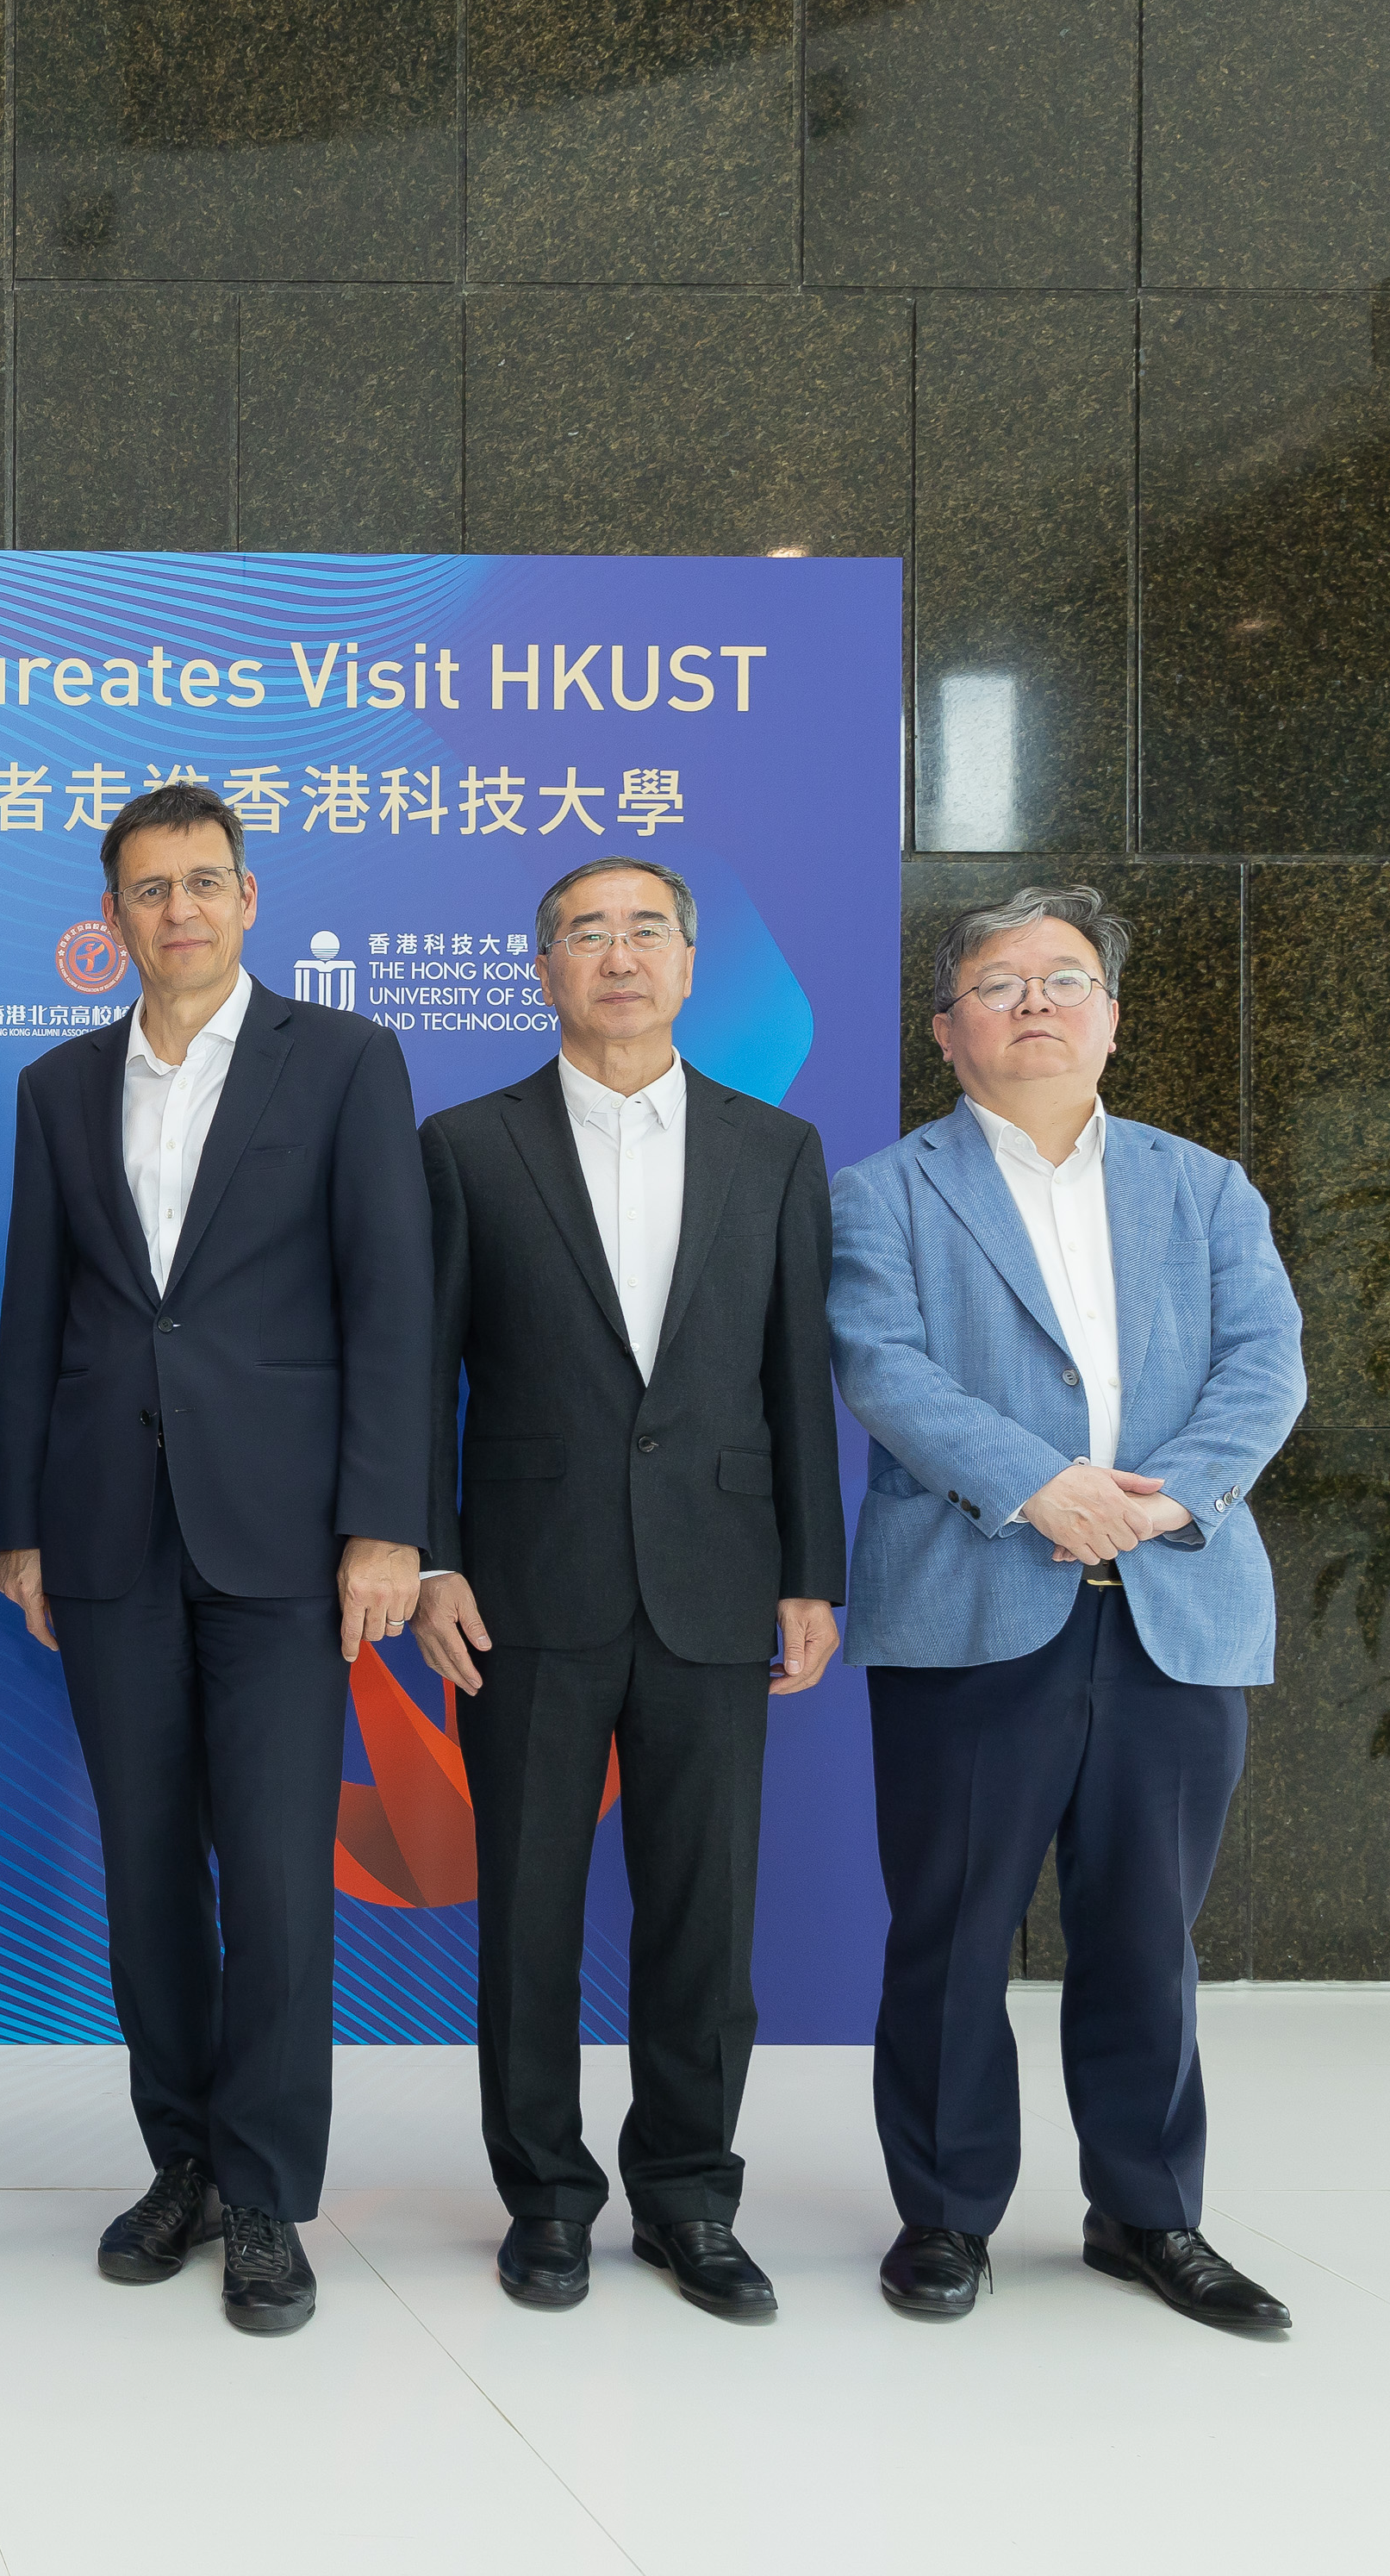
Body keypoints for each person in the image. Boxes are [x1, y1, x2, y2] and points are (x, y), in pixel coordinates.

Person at [829, 884, 1305, 2333]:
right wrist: (1041, 1485)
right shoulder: (882, 1192)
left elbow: (1265, 1367)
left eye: (1067, 977)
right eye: (1000, 981)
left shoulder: (1206, 1186)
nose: (1036, 1000)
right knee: (955, 1930)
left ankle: (1149, 2214)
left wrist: (1161, 1502)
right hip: (974, 1600)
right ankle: (947, 2215)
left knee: (1149, 1930)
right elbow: (883, 1366)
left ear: (1112, 1015)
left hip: (1173, 1604)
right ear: (946, 1029)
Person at [0, 778, 430, 2336]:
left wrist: (387, 1524)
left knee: (276, 1881)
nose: (178, 910)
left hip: (288, 1544)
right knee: (147, 1872)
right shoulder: (58, 1087)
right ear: (111, 923)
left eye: (204, 883)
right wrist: (23, 1528)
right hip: (109, 1539)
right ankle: (176, 2155)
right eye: (148, 890)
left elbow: (394, 1307)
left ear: (251, 900)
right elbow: (36, 1319)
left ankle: (264, 2195)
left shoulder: (345, 1064)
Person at [408, 857, 843, 2323]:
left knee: (704, 1919)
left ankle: (689, 2200)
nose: (618, 955)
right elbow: (421, 1380)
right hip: (524, 1587)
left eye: (645, 929)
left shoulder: (773, 1150)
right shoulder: (466, 1146)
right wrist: (431, 1559)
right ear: (544, 968)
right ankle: (545, 2197)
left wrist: (811, 1573)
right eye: (585, 933)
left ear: (689, 960)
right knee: (527, 1915)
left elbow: (796, 1381)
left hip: (720, 1586)